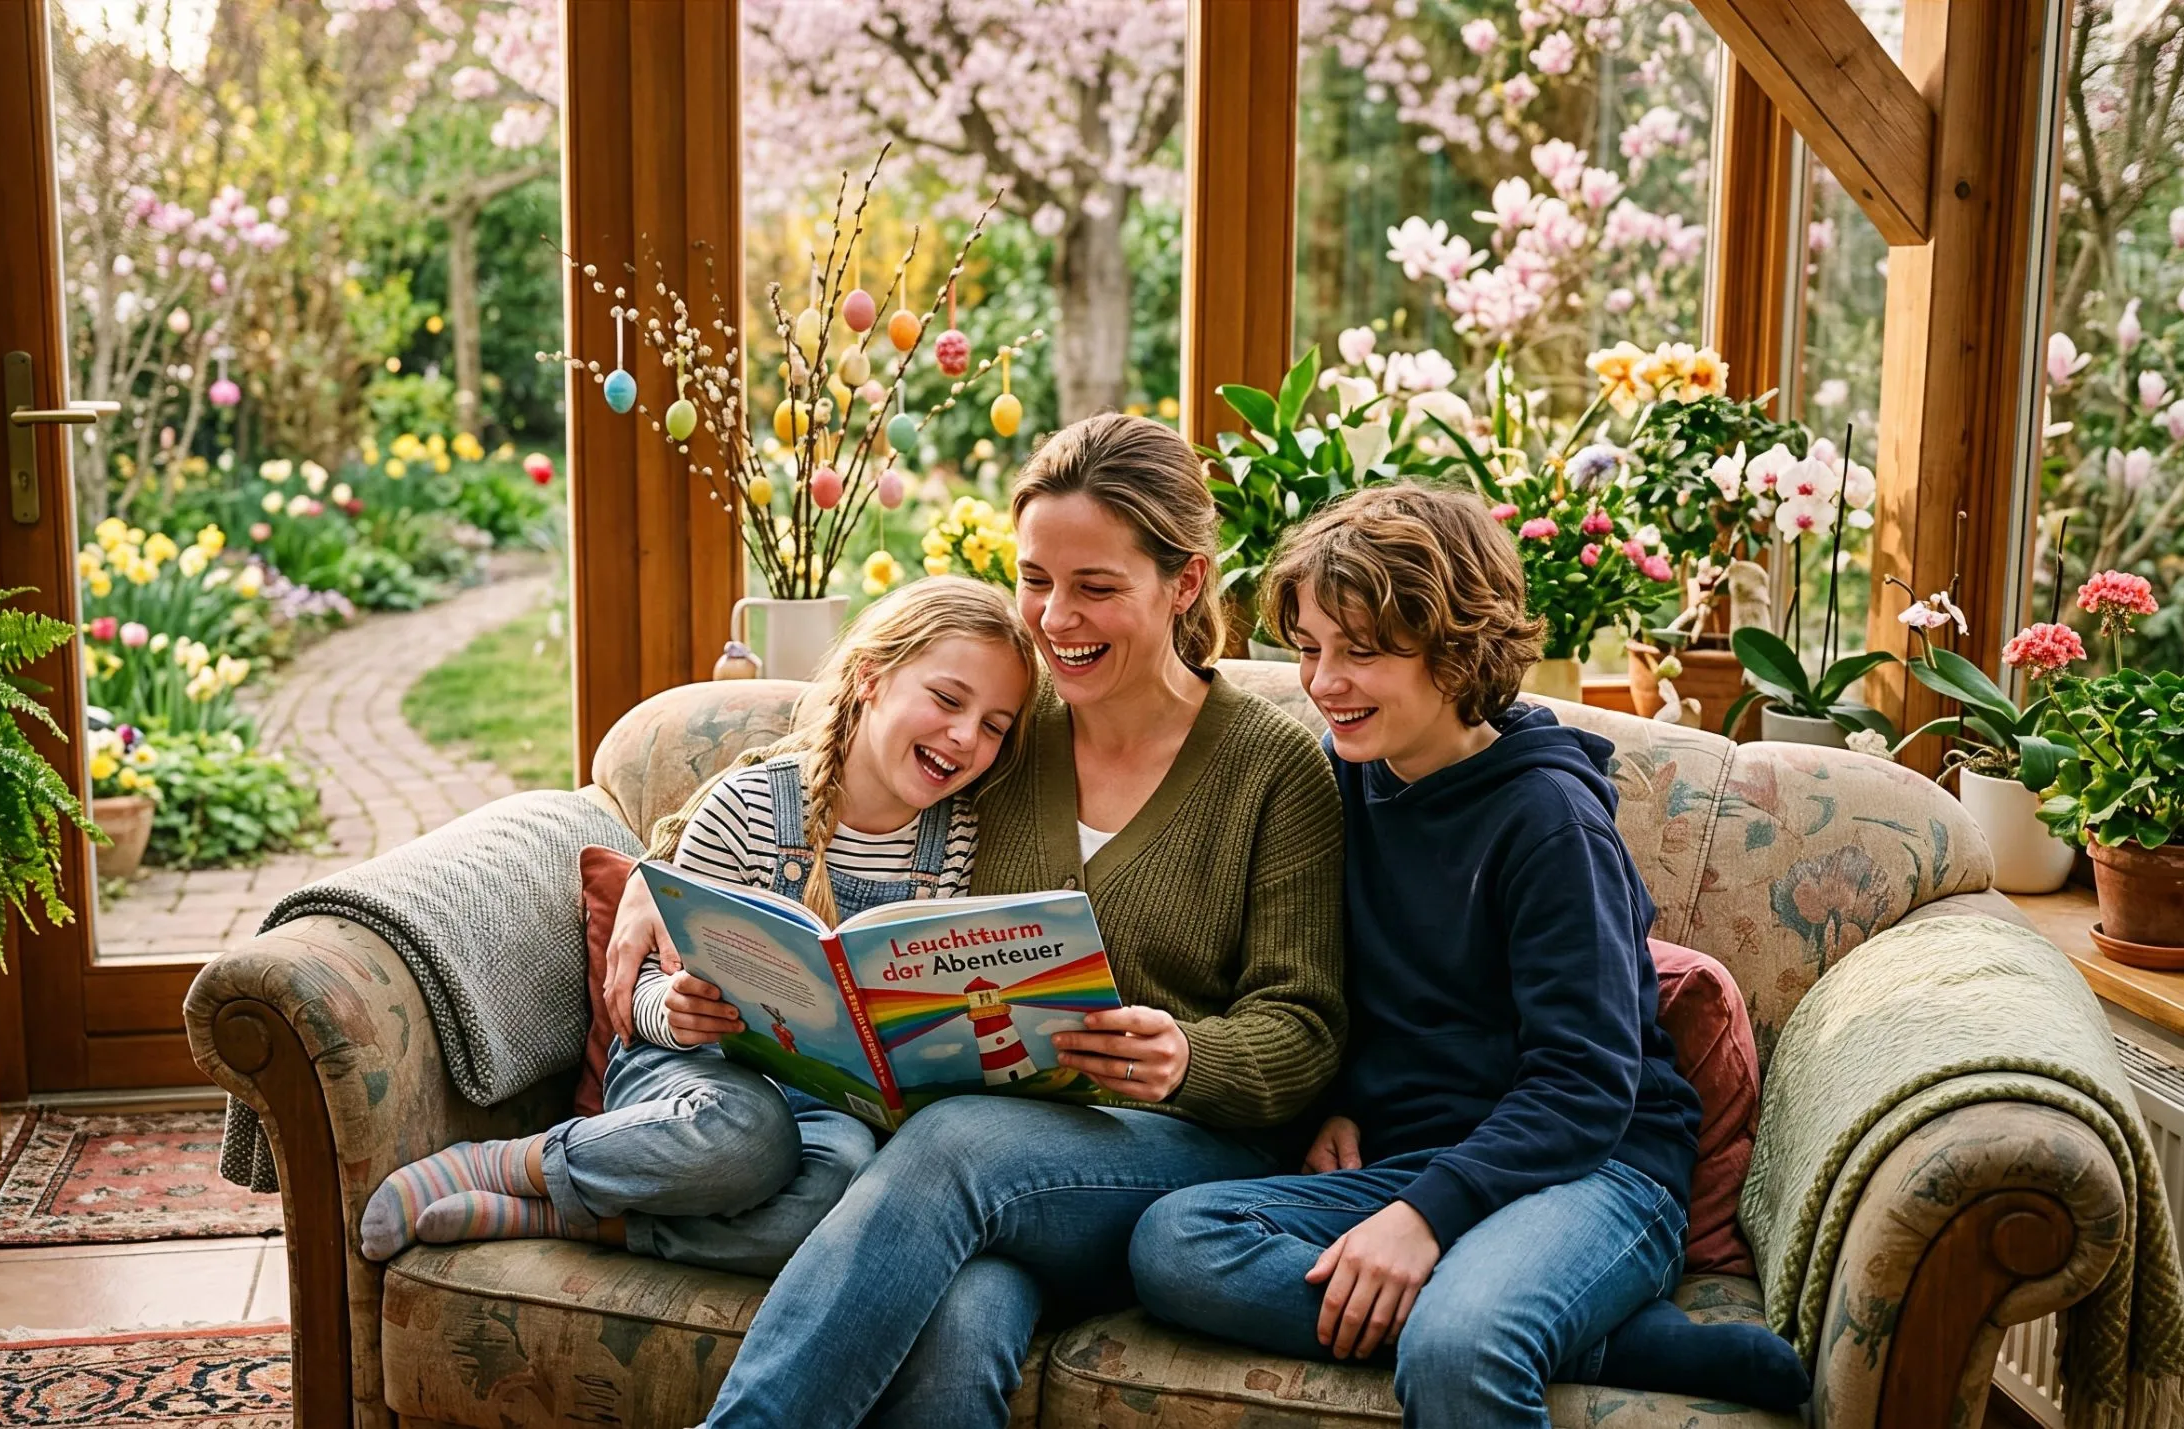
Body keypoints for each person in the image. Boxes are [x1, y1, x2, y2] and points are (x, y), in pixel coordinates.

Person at [603, 413, 1349, 1429]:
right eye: (1037, 578)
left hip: (1178, 1152)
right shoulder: (1003, 730)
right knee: (965, 1311)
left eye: (1095, 587)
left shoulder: (1273, 768)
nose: (1055, 617)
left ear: (1183, 586)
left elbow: (1305, 1027)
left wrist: (1185, 1054)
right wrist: (666, 852)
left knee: (956, 1142)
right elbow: (825, 757)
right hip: (994, 1173)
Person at [1129, 486, 1810, 1426]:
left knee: (1459, 1346)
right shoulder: (1342, 779)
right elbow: (1334, 985)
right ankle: (1605, 1339)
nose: (1325, 681)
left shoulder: (1549, 823)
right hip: (1420, 1156)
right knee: (1176, 1242)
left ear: (1457, 653)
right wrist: (1339, 1102)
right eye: (1310, 648)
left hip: (1596, 1170)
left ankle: (1498, 1315)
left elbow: (1585, 1083)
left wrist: (1423, 1219)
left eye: (1361, 652)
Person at [355, 576, 1036, 1275]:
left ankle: (566, 1216)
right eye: (948, 699)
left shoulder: (957, 842)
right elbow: (642, 990)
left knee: (837, 1191)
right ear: (871, 678)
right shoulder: (747, 808)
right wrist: (675, 1014)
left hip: (835, 1108)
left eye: (994, 725)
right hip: (688, 1071)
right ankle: (510, 1161)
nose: (964, 735)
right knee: (750, 1135)